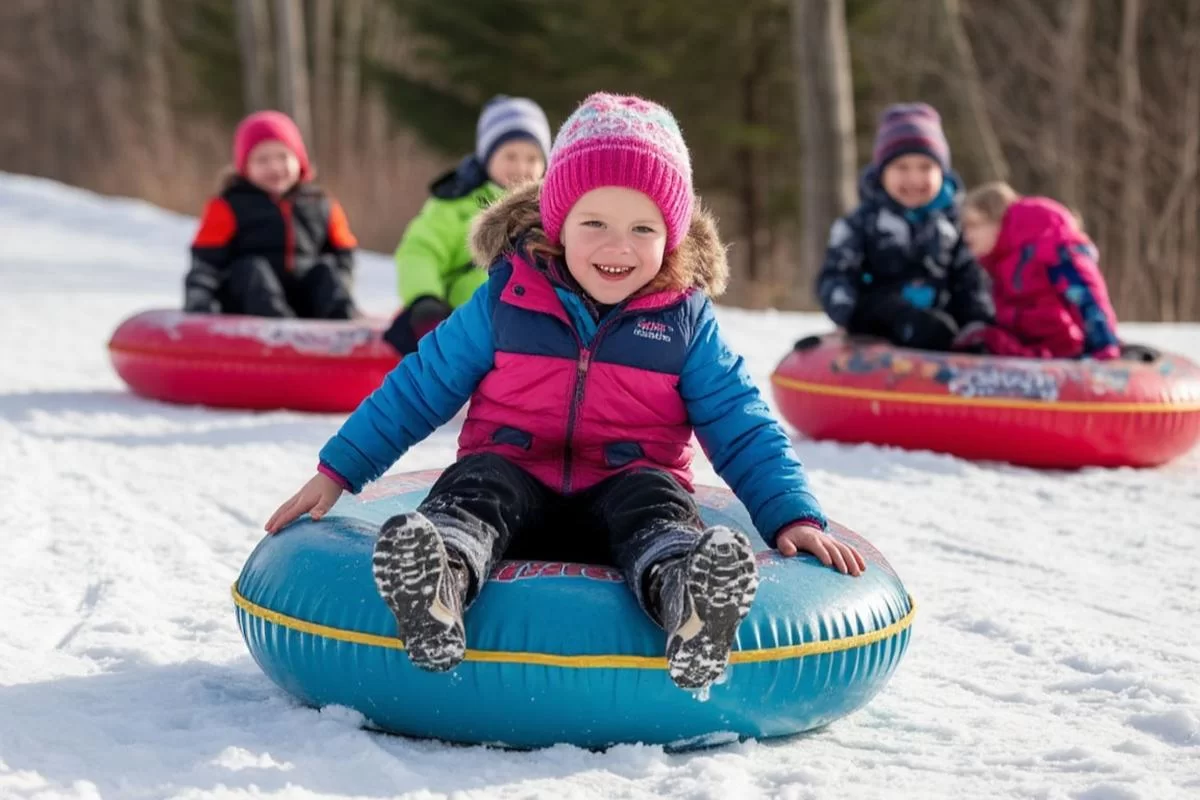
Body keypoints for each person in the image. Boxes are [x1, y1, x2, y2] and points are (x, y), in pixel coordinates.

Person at [267, 92, 864, 693]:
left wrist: (791, 514)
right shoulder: (507, 298)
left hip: (626, 485)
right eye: (594, 223)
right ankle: (435, 585)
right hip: (512, 473)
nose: (618, 247)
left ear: (672, 235)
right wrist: (337, 471)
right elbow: (419, 388)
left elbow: (741, 423)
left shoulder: (683, 318)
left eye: (642, 228)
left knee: (656, 503)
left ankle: (693, 601)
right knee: (474, 487)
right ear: (557, 220)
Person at [816, 103, 994, 351]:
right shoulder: (861, 224)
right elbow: (836, 275)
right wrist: (848, 315)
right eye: (901, 167)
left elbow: (972, 280)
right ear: (882, 172)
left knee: (945, 325)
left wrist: (978, 324)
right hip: (877, 330)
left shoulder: (958, 225)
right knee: (885, 308)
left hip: (943, 332)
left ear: (942, 173)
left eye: (926, 167)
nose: (914, 179)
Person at [383, 95, 551, 354]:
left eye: (531, 158)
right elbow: (420, 251)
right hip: (460, 329)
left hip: (531, 333)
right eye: (510, 156)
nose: (521, 167)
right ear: (487, 156)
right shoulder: (456, 205)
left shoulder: (553, 210)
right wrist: (424, 299)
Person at [184, 110, 359, 319]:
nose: (275, 167)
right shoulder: (228, 205)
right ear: (245, 167)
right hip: (248, 302)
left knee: (326, 271)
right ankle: (278, 329)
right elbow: (206, 261)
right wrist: (199, 299)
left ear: (299, 160)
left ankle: (343, 328)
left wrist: (341, 288)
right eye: (262, 160)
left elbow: (344, 255)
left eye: (283, 157)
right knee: (251, 269)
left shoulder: (321, 204)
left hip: (304, 301)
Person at [957, 181, 1120, 359]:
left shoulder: (1048, 249)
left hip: (1064, 350)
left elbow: (1086, 296)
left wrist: (1104, 347)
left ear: (998, 221)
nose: (967, 236)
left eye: (974, 225)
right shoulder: (999, 266)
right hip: (1034, 353)